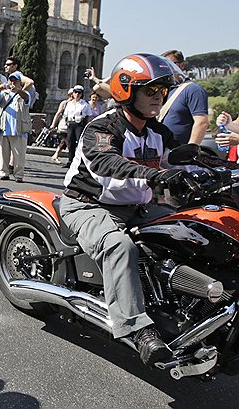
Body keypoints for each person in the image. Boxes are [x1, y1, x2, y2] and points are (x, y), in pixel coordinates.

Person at [59, 53, 199, 368]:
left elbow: (182, 159)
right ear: (127, 91)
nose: (158, 97)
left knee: (191, 231)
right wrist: (155, 175)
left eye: (162, 91)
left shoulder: (159, 132)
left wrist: (215, 168)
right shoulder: (102, 126)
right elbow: (106, 162)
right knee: (118, 245)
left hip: (137, 205)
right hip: (88, 204)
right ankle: (136, 329)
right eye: (151, 90)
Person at [158, 49, 209, 146]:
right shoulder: (161, 90)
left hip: (180, 150)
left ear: (182, 65)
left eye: (171, 64)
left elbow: (201, 122)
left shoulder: (193, 90)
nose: (167, 68)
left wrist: (190, 149)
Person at [0, 71, 35, 182]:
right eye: (11, 80)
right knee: (3, 154)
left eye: (15, 81)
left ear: (19, 83)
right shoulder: (5, 94)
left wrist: (18, 90)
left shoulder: (25, 94)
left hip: (19, 129)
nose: (12, 83)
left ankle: (18, 175)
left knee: (19, 155)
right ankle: (3, 173)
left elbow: (26, 99)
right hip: (4, 128)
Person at [61, 85, 92, 166]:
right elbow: (65, 114)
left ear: (81, 94)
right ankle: (70, 160)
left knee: (79, 143)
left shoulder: (85, 104)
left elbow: (88, 115)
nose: (77, 94)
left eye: (79, 93)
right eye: (75, 92)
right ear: (73, 93)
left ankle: (80, 160)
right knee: (70, 142)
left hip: (79, 124)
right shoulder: (69, 104)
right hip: (71, 123)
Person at [48, 92, 72, 164]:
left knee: (64, 141)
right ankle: (72, 158)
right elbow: (58, 113)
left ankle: (55, 155)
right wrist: (53, 124)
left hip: (71, 126)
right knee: (68, 141)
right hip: (64, 126)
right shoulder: (64, 103)